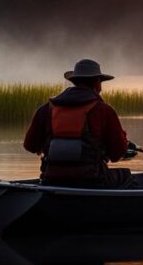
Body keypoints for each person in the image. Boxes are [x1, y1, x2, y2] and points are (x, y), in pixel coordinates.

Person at [24, 59, 133, 188]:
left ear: (74, 81)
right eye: (100, 82)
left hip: (51, 179)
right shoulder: (104, 111)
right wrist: (123, 142)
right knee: (126, 175)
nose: (101, 88)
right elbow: (116, 155)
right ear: (96, 83)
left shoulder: (45, 109)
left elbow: (30, 146)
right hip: (93, 180)